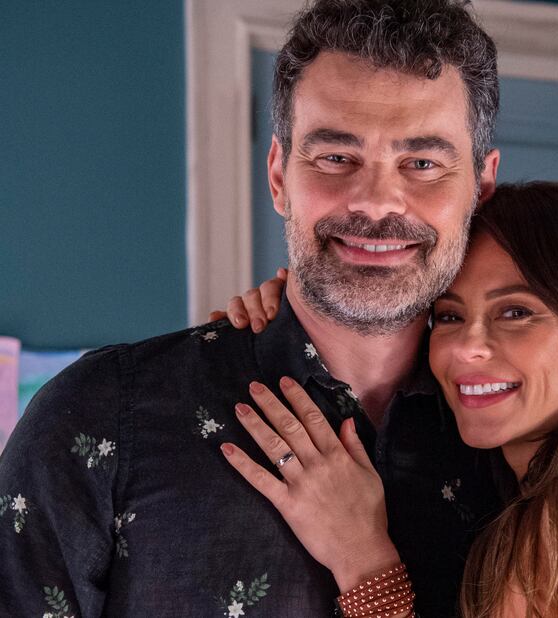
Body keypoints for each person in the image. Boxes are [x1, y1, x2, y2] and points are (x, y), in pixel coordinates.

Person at [0, 2, 503, 616]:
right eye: (335, 157)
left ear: (480, 187)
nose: (375, 202)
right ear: (278, 176)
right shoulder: (98, 414)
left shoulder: (522, 450)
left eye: (422, 163)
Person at [221, 183, 558, 616]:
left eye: (516, 312)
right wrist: (303, 316)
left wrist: (361, 557)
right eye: (449, 316)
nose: (467, 347)